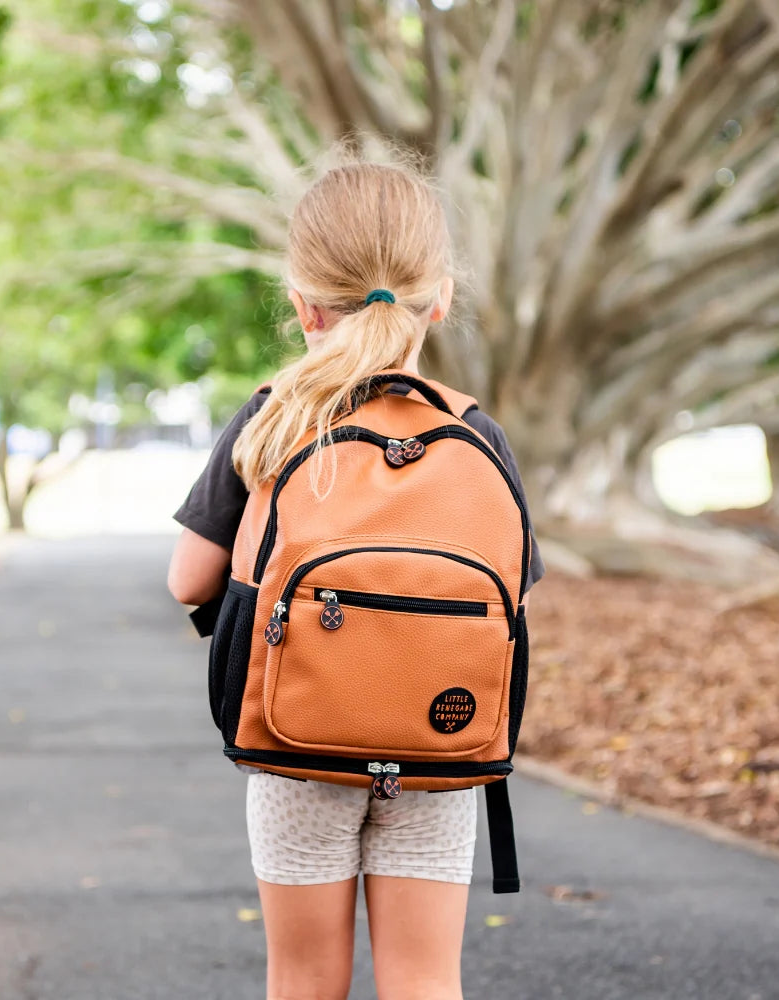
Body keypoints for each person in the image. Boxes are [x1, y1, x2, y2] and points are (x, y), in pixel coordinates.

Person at [168, 161, 545, 1000]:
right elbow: (509, 600)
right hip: (440, 741)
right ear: (438, 297)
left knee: (303, 981)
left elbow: (188, 580)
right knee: (423, 982)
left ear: (303, 303)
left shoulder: (276, 417)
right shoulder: (473, 430)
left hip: (296, 745)